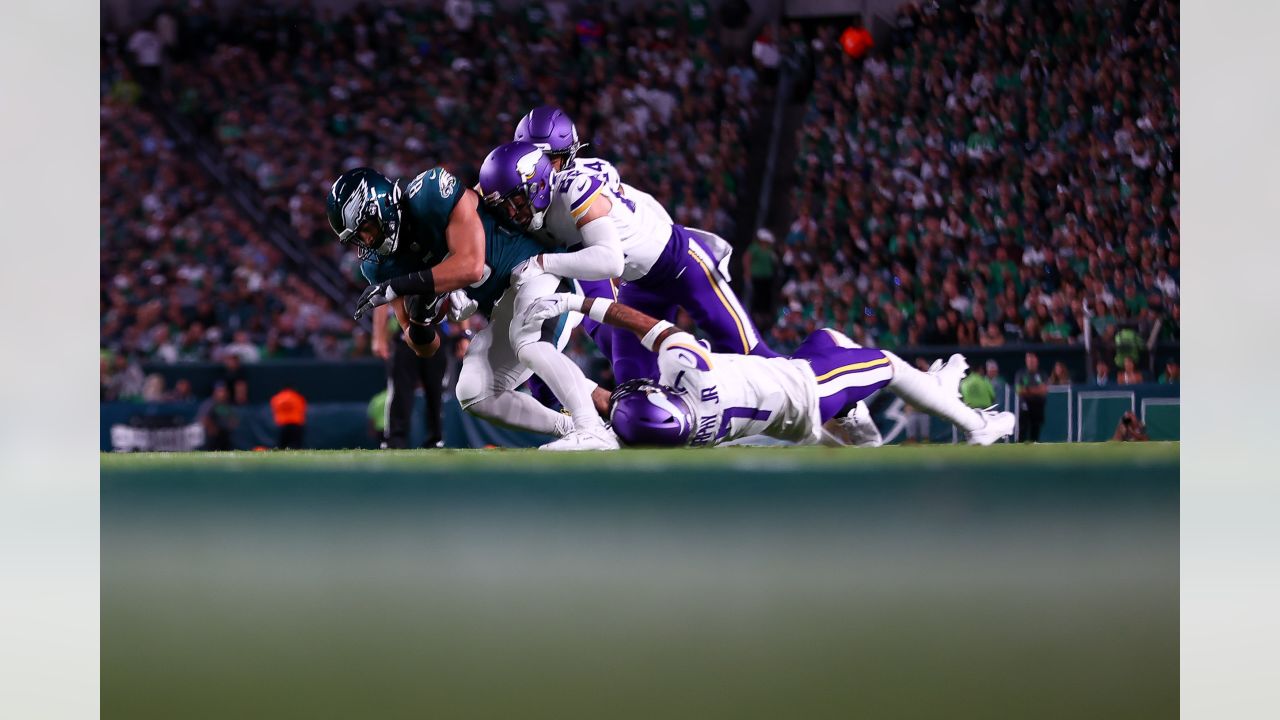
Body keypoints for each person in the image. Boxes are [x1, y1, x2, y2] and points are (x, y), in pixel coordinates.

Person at [329, 165, 616, 451]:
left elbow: (471, 266)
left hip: (537, 274)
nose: (366, 241)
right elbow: (423, 346)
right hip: (504, 308)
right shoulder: (380, 265)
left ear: (382, 205)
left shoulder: (428, 193)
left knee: (526, 340)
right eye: (357, 238)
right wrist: (421, 317)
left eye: (366, 229)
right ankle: (576, 427)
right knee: (473, 392)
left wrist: (404, 286)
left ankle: (591, 428)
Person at [525, 292, 1015, 447]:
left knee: (829, 339)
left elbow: (612, 404)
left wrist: (547, 365)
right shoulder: (688, 372)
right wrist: (579, 303)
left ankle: (874, 435)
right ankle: (977, 425)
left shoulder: (667, 438)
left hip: (787, 408)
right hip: (805, 391)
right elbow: (653, 326)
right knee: (886, 364)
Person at [478, 139, 776, 390]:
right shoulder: (529, 197)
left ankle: (816, 400)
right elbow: (477, 197)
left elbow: (610, 262)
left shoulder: (575, 186)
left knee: (751, 353)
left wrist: (543, 262)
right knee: (635, 386)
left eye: (515, 201)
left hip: (680, 263)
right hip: (639, 285)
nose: (512, 212)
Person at [371, 303, 447, 449]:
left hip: (435, 331)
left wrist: (464, 332)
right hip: (405, 333)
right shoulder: (400, 280)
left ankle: (436, 438)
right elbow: (382, 299)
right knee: (400, 390)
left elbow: (456, 294)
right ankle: (395, 438)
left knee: (436, 390)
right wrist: (379, 338)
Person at [1015, 352, 1047, 442]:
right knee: (1023, 428)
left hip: (1038, 404)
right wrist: (1036, 390)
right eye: (1028, 360)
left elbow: (1043, 390)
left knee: (1035, 428)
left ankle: (1034, 446)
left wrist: (1028, 390)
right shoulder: (1021, 374)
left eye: (1032, 360)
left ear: (1037, 361)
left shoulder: (1041, 374)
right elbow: (1019, 390)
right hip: (1024, 405)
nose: (1030, 362)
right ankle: (1020, 448)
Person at [197, 381, 238, 451]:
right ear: (215, 392)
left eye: (223, 391)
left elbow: (234, 421)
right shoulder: (209, 404)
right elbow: (202, 419)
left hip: (224, 437)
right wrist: (211, 427)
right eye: (220, 391)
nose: (222, 394)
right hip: (209, 438)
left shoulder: (227, 405)